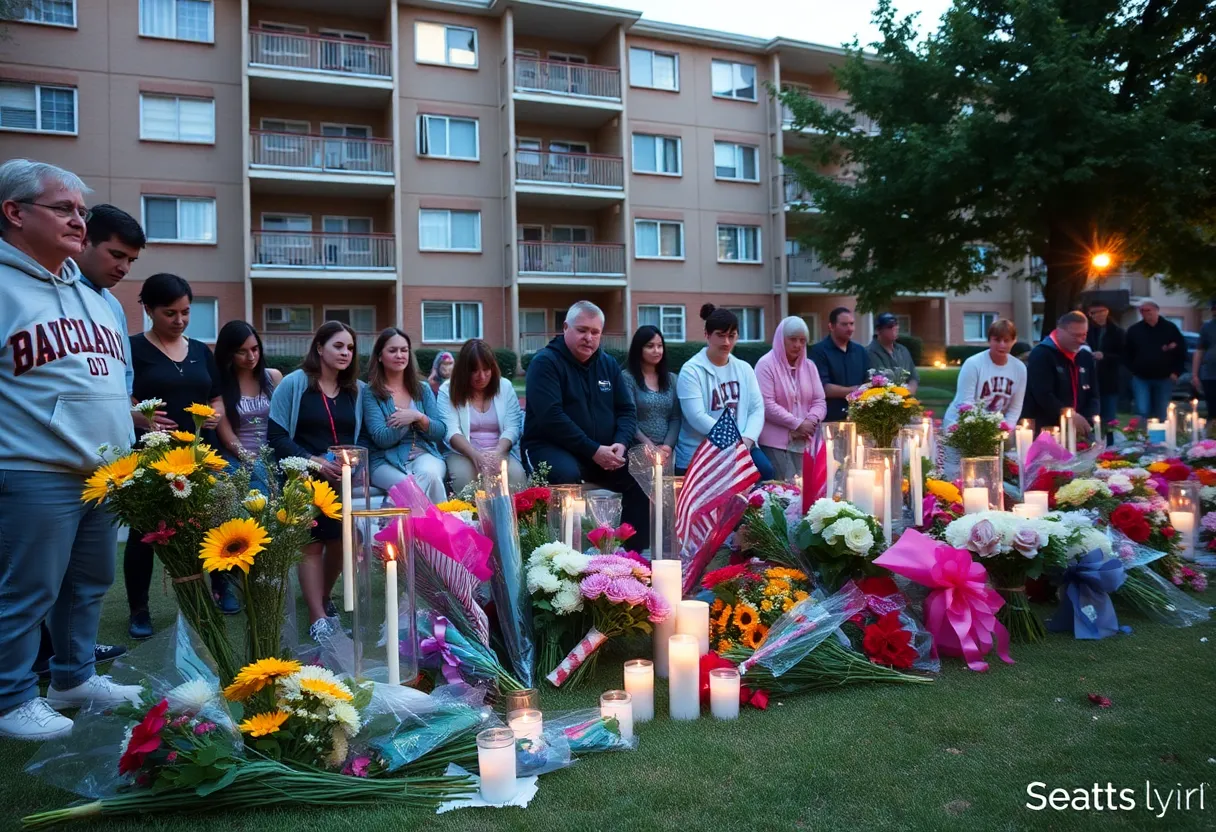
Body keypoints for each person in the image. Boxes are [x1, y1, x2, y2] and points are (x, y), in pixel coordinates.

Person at [0, 159, 141, 740]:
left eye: (82, 211)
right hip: (33, 465)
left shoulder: (97, 299)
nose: (79, 221)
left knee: (88, 585)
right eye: (63, 209)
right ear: (14, 212)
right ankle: (9, 699)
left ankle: (72, 678)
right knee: (28, 589)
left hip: (101, 471)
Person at [126, 273, 227, 638]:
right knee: (144, 532)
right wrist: (136, 415)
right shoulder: (132, 348)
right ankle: (139, 609)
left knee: (206, 525)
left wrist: (215, 413)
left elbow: (215, 394)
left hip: (199, 453)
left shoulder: (201, 350)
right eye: (170, 313)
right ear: (149, 309)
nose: (180, 320)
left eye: (185, 312)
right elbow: (119, 393)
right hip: (152, 455)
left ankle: (219, 588)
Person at [268, 321, 364, 642]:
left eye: (350, 348)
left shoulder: (356, 391)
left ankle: (322, 597)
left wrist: (353, 459)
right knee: (311, 545)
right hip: (301, 479)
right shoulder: (294, 385)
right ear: (319, 347)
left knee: (343, 543)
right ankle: (316, 615)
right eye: (338, 346)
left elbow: (361, 435)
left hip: (342, 480)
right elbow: (277, 436)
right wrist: (316, 462)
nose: (345, 353)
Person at [521, 301, 648, 538]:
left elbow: (627, 411)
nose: (588, 337)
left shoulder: (608, 364)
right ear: (565, 328)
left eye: (595, 332)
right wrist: (593, 450)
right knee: (565, 476)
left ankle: (634, 557)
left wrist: (620, 443)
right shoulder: (545, 363)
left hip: (602, 452)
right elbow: (551, 418)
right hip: (550, 446)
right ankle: (561, 555)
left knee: (642, 472)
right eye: (582, 330)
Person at [676, 304, 773, 480]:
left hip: (742, 446)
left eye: (732, 336)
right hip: (701, 450)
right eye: (720, 336)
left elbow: (756, 409)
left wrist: (748, 439)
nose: (726, 342)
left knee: (765, 472)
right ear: (707, 335)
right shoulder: (691, 370)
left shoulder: (744, 368)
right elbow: (697, 416)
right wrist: (733, 442)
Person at [362, 328, 447, 504]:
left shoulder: (422, 389)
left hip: (424, 454)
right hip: (384, 461)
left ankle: (398, 523)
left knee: (430, 475)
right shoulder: (371, 392)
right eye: (392, 350)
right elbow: (381, 438)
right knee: (407, 487)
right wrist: (405, 422)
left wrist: (418, 417)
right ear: (379, 356)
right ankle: (437, 526)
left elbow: (439, 432)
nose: (399, 355)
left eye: (404, 350)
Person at [438, 338, 526, 493]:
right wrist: (475, 455)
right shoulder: (448, 389)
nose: (482, 376)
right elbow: (450, 430)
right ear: (464, 371)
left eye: (486, 370)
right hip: (463, 452)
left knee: (515, 476)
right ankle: (470, 517)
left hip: (500, 450)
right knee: (465, 479)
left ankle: (511, 516)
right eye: (474, 371)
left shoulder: (504, 387)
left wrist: (498, 453)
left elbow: (513, 426)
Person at [941, 318, 1028, 475]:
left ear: (1013, 341)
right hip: (961, 425)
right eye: (997, 340)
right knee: (956, 474)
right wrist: (982, 430)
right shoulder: (973, 364)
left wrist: (1005, 430)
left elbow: (1015, 407)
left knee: (986, 476)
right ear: (989, 340)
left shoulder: (1019, 368)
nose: (1002, 345)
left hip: (992, 430)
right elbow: (965, 402)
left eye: (1006, 340)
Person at [755, 316, 827, 481]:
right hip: (775, 442)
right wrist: (797, 424)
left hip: (805, 441)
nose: (798, 345)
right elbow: (766, 404)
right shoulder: (765, 364)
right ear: (781, 339)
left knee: (806, 490)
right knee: (784, 493)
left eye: (802, 340)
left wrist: (810, 421)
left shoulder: (810, 366)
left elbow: (819, 401)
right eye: (792, 339)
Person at [214, 320, 282, 493]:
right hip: (237, 464)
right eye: (241, 352)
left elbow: (283, 424)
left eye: (255, 349)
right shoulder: (219, 384)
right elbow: (228, 439)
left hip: (275, 460)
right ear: (228, 353)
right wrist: (255, 463)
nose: (251, 357)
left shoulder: (273, 378)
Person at [1021, 311, 1098, 439]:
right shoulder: (1042, 354)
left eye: (1084, 335)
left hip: (1079, 429)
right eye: (1075, 335)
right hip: (1048, 430)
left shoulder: (1084, 356)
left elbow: (1093, 393)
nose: (1080, 340)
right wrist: (1069, 416)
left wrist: (1088, 419)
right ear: (1060, 331)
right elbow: (1043, 394)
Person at [621, 325, 681, 463]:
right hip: (636, 451)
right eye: (650, 346)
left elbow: (675, 417)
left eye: (660, 346)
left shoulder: (672, 379)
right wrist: (649, 446)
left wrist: (667, 447)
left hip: (666, 453)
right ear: (639, 349)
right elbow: (629, 418)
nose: (656, 351)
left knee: (665, 484)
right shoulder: (627, 378)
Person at [1124, 300, 1187, 422]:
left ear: (1157, 310)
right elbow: (1126, 352)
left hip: (1164, 377)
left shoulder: (1170, 328)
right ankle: (1141, 437)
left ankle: (1162, 438)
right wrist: (1133, 370)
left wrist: (1176, 372)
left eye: (1148, 310)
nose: (1145, 313)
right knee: (1142, 410)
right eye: (1142, 310)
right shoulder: (1134, 330)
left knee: (1162, 411)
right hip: (1141, 377)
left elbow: (1181, 351)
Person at [810, 307, 869, 422]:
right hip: (830, 420)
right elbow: (821, 387)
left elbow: (868, 380)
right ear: (831, 326)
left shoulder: (860, 351)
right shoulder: (818, 351)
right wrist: (855, 391)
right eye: (844, 324)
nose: (850, 328)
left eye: (852, 324)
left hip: (859, 418)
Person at [1086, 301, 1125, 424]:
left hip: (1108, 380)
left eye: (1099, 312)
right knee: (1090, 417)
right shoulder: (1086, 331)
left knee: (1108, 418)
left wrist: (1105, 356)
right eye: (1092, 313)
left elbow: (1123, 355)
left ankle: (1109, 442)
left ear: (1106, 312)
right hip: (1089, 380)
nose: (1096, 315)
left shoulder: (1117, 332)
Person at [866, 313, 919, 394]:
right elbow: (873, 383)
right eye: (890, 326)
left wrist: (910, 391)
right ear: (878, 331)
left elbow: (913, 377)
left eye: (896, 325)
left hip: (906, 401)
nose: (895, 328)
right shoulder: (868, 353)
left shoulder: (903, 350)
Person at [1195, 299, 1216, 420]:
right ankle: (1212, 435)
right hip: (1210, 375)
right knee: (1212, 409)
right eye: (1213, 308)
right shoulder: (1207, 327)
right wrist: (1195, 374)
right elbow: (1199, 351)